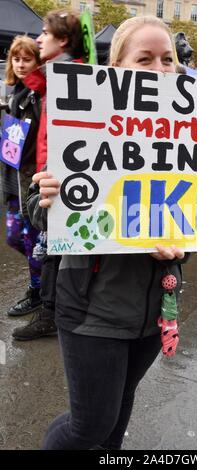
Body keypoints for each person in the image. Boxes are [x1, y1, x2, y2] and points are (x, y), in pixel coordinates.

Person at [27, 15, 189, 450]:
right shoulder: (81, 121)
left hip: (156, 308)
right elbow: (38, 216)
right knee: (90, 427)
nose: (160, 69)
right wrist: (47, 198)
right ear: (115, 68)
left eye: (167, 59)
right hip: (92, 307)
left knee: (119, 408)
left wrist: (181, 248)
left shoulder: (188, 132)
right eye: (145, 59)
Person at [12, 10, 84, 341]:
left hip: (62, 177)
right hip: (45, 172)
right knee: (48, 244)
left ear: (64, 40)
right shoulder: (49, 79)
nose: (39, 39)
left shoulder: (76, 78)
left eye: (45, 33)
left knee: (57, 247)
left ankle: (51, 314)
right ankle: (50, 309)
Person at [1, 36, 43, 317]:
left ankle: (37, 290)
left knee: (30, 240)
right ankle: (44, 282)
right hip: (13, 178)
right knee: (15, 237)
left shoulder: (38, 95)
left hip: (30, 179)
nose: (20, 64)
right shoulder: (14, 92)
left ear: (37, 62)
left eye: (27, 59)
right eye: (16, 59)